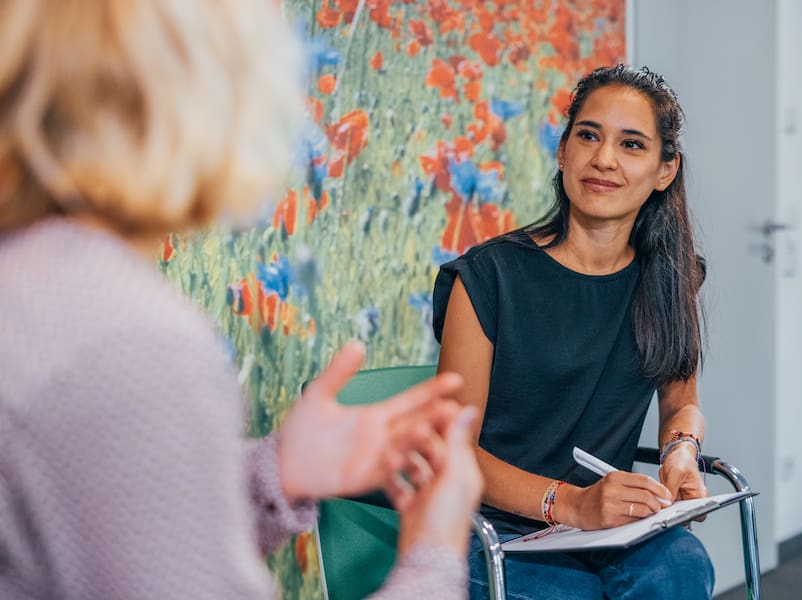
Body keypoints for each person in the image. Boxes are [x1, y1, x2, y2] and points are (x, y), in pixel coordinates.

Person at [0, 1, 481, 599]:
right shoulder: (130, 342)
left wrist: (274, 472)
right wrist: (435, 554)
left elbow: (91, 503)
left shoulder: (28, 287)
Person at [433, 64, 715, 599]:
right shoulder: (488, 277)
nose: (603, 159)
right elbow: (454, 450)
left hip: (612, 524)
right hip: (491, 529)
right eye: (588, 135)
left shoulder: (671, 277)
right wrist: (572, 504)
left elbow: (682, 403)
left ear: (664, 169)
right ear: (563, 151)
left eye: (632, 145)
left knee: (681, 570)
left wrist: (681, 451)